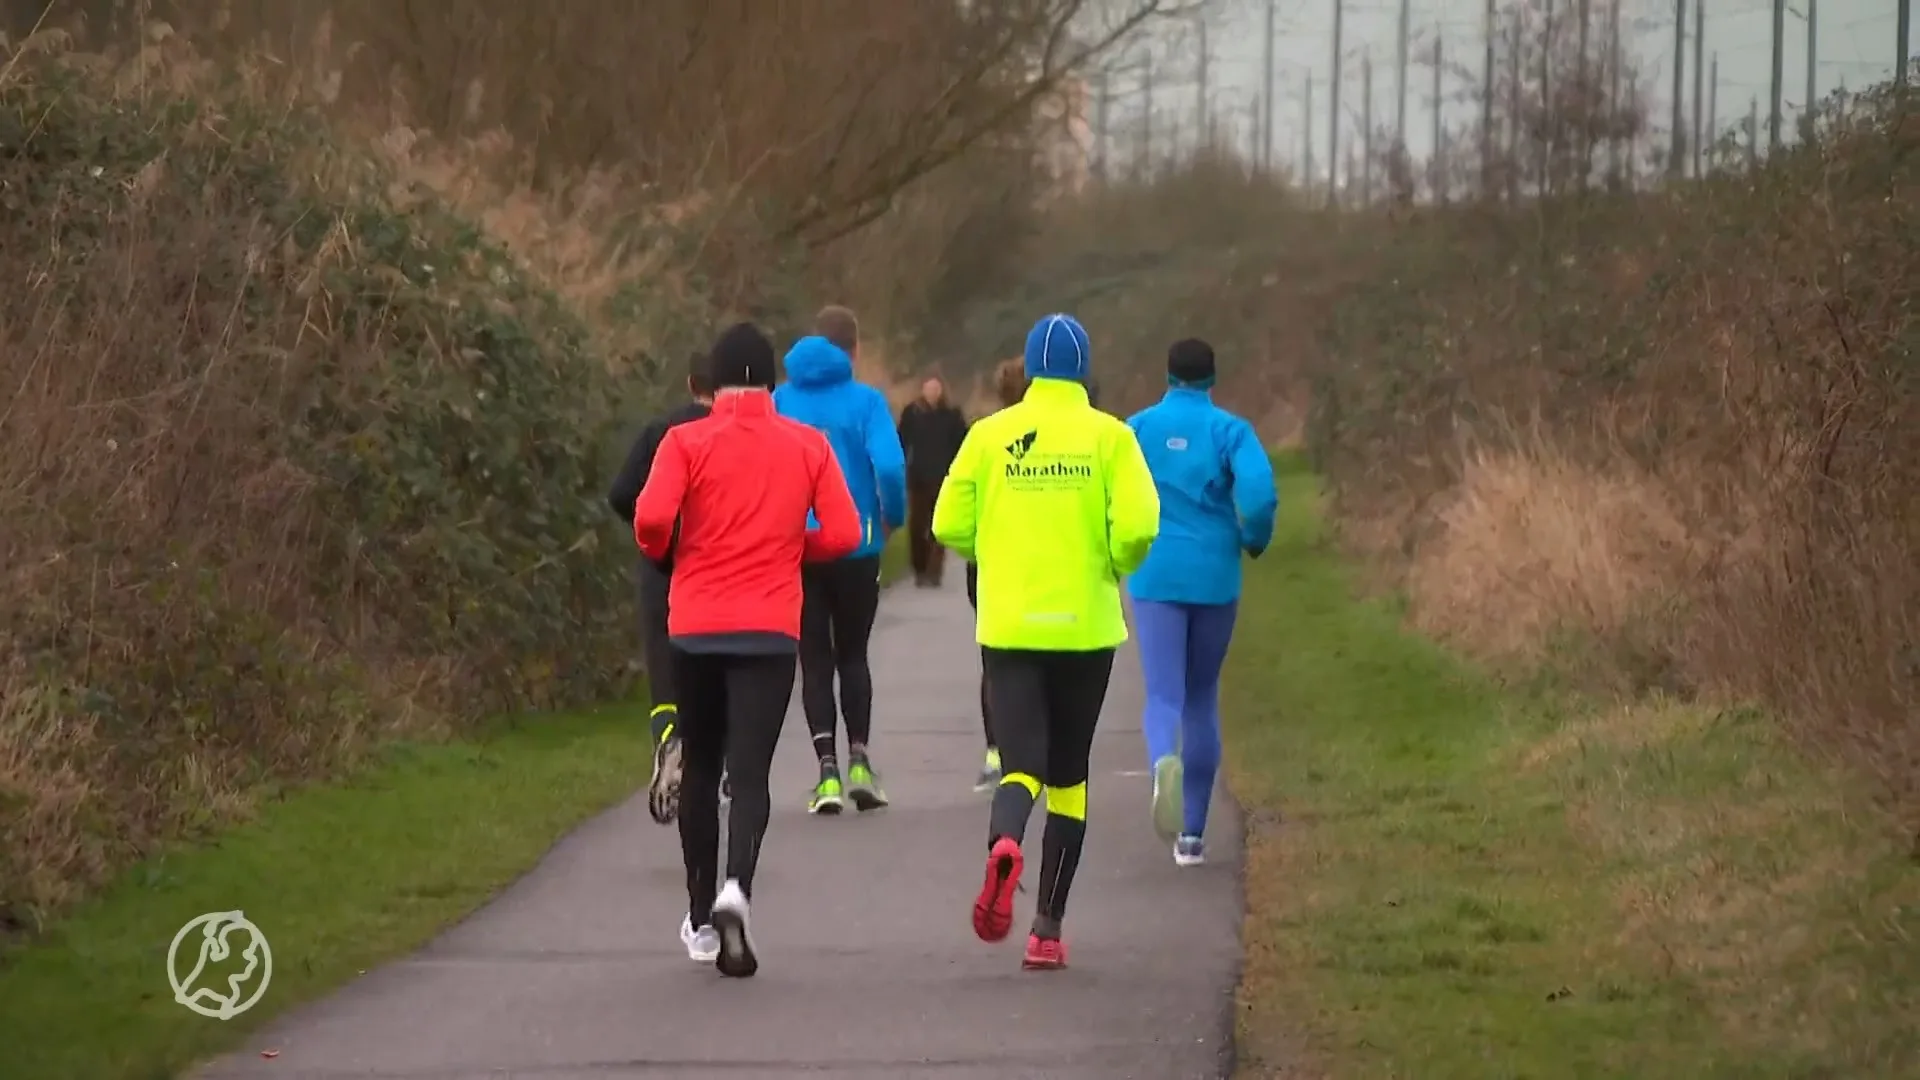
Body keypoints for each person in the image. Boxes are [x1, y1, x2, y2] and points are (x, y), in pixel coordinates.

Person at [632, 321, 862, 977]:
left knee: (700, 768)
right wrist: (794, 551)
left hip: (697, 626)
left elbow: (649, 519)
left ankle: (702, 919)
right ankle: (738, 890)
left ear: (714, 380)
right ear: (771, 381)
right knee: (752, 774)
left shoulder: (684, 441)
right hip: (769, 629)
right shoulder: (807, 443)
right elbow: (844, 532)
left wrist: (668, 553)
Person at [932, 313, 1160, 970]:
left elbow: (949, 522)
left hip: (1009, 625)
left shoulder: (988, 435)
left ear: (1027, 370)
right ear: (1085, 371)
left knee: (1019, 763)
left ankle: (1005, 842)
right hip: (1085, 628)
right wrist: (1115, 561)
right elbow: (1142, 524)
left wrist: (995, 551)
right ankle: (1047, 930)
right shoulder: (1111, 438)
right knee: (1069, 775)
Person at [1125, 339, 1277, 867]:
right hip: (1214, 575)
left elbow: (1113, 493)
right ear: (1213, 379)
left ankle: (1162, 759)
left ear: (1167, 376)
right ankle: (1191, 835)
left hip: (1156, 571)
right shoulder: (1231, 430)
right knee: (1201, 695)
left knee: (1163, 695)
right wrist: (1253, 538)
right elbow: (1258, 494)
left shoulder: (1137, 428)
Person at [772, 305, 908, 815]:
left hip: (797, 545)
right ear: (853, 349)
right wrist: (890, 518)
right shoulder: (866, 401)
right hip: (857, 542)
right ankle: (860, 762)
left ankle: (825, 772)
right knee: (853, 654)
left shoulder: (779, 400)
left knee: (814, 658)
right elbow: (891, 467)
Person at [606, 351, 713, 826]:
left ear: (690, 382)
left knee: (665, 675)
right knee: (713, 674)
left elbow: (620, 493)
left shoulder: (660, 430)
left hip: (659, 570)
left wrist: (653, 534)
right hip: (714, 571)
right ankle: (708, 764)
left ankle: (669, 740)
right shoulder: (730, 436)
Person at [965, 358, 1031, 793]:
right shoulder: (1066, 437)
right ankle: (1036, 749)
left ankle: (996, 751)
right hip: (1043, 560)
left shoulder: (983, 437)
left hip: (990, 562)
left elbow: (956, 513)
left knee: (996, 658)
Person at [896, 374, 968, 587]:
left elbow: (962, 444)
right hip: (917, 476)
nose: (932, 393)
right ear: (922, 390)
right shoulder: (912, 413)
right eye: (928, 389)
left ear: (942, 391)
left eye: (936, 389)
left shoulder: (952, 416)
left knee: (938, 527)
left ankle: (934, 572)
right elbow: (901, 440)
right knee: (917, 526)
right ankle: (919, 568)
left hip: (943, 477)